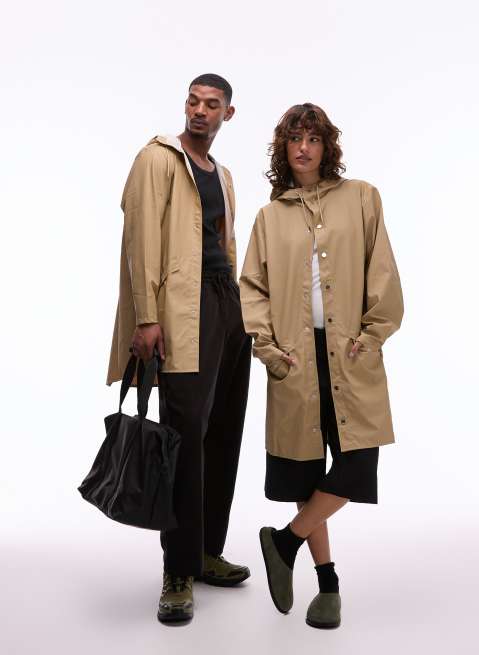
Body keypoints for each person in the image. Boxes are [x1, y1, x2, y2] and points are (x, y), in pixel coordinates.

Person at [239, 103, 404, 629]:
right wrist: (269, 350)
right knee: (305, 477)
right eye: (295, 139)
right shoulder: (269, 218)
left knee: (357, 464)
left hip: (350, 354)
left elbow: (382, 269)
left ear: (327, 146)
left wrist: (372, 335)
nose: (304, 148)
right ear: (283, 149)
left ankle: (283, 543)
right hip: (294, 358)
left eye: (313, 138)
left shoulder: (362, 197)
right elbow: (253, 288)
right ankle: (327, 584)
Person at [107, 74, 252, 624]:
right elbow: (140, 240)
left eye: (212, 104)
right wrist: (147, 316)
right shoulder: (158, 159)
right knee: (184, 437)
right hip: (182, 312)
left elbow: (224, 247)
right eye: (193, 101)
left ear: (227, 114)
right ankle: (176, 571)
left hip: (227, 305)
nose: (200, 111)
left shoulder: (223, 174)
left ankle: (206, 551)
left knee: (223, 432)